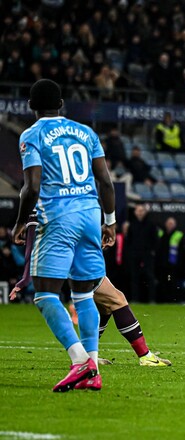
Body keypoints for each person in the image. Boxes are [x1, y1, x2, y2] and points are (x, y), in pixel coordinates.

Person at [11, 79, 116, 391]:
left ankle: (80, 361)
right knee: (84, 295)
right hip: (91, 215)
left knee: (45, 294)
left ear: (31, 106)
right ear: (60, 104)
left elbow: (31, 186)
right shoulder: (86, 132)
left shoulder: (31, 135)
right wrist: (109, 222)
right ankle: (92, 371)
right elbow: (106, 182)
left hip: (58, 217)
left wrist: (20, 222)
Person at [10, 214, 171, 367]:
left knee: (105, 307)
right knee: (116, 300)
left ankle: (87, 355)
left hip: (74, 259)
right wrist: (26, 276)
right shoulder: (48, 204)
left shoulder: (49, 203)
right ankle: (145, 356)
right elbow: (33, 239)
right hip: (76, 261)